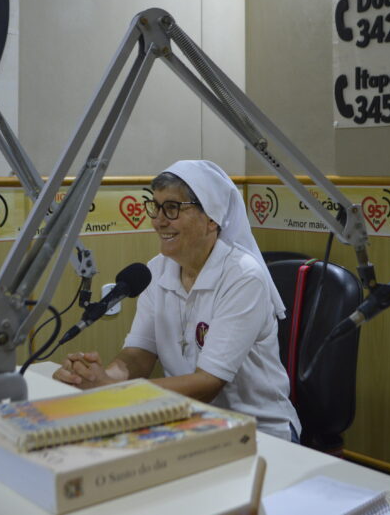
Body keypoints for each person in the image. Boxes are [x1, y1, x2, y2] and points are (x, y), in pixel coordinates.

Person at [52, 159, 301, 442]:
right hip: (188, 422)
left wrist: (115, 393)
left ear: (211, 219)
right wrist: (97, 379)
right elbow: (138, 357)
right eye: (155, 206)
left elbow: (208, 383)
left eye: (172, 208)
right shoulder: (155, 270)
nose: (158, 220)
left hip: (261, 431)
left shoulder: (243, 277)